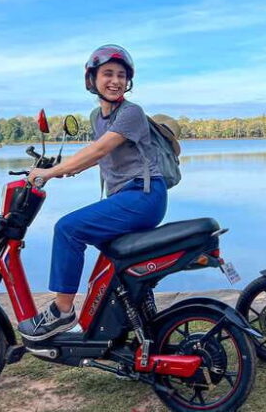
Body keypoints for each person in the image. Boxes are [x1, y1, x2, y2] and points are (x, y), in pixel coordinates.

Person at [18, 45, 167, 340]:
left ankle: (62, 311)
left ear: (129, 81)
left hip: (143, 196)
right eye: (108, 74)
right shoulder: (97, 117)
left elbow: (99, 148)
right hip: (125, 197)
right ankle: (137, 307)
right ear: (92, 79)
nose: (115, 81)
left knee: (68, 229)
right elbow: (99, 157)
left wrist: (49, 173)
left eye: (121, 75)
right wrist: (63, 169)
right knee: (109, 255)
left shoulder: (132, 113)